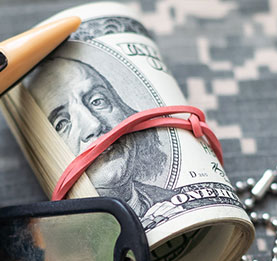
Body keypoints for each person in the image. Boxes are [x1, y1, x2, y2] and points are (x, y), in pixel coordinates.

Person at [28, 56, 172, 219]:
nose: (93, 125)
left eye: (97, 101)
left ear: (123, 109)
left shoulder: (173, 200)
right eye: (61, 123)